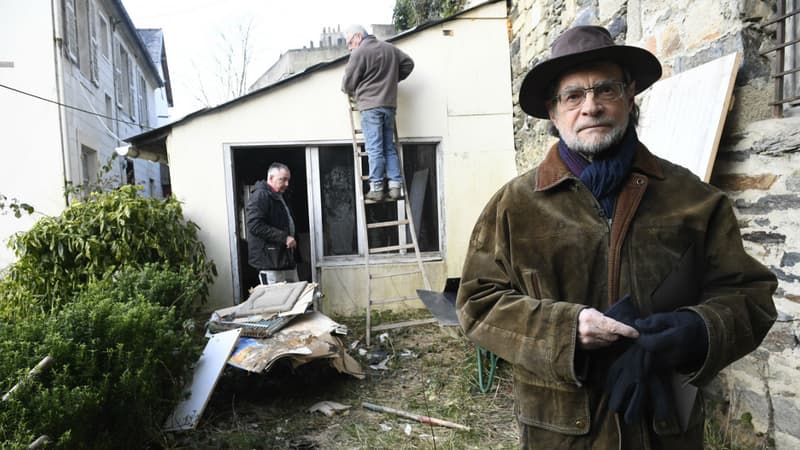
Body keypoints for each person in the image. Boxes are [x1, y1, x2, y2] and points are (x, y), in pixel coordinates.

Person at [456, 25, 777, 449]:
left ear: (629, 97)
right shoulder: (515, 206)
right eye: (573, 96)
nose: (591, 107)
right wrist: (566, 331)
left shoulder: (693, 199)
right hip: (562, 434)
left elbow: (750, 297)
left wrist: (693, 329)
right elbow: (478, 304)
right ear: (554, 114)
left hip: (665, 431)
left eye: (605, 90)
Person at [342, 24, 414, 202]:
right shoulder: (390, 49)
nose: (350, 48)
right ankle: (395, 187)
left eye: (350, 43)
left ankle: (376, 188)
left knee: (374, 148)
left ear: (358, 37)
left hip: (370, 107)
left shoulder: (359, 53)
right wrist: (392, 79)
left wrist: (358, 86)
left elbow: (347, 84)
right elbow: (408, 64)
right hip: (389, 106)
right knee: (388, 147)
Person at [246, 162, 299, 285]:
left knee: (294, 298)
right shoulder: (261, 195)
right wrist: (284, 237)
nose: (287, 184)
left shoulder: (280, 196)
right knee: (276, 301)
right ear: (271, 178)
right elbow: (255, 225)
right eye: (283, 180)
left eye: (288, 180)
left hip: (284, 260)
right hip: (270, 262)